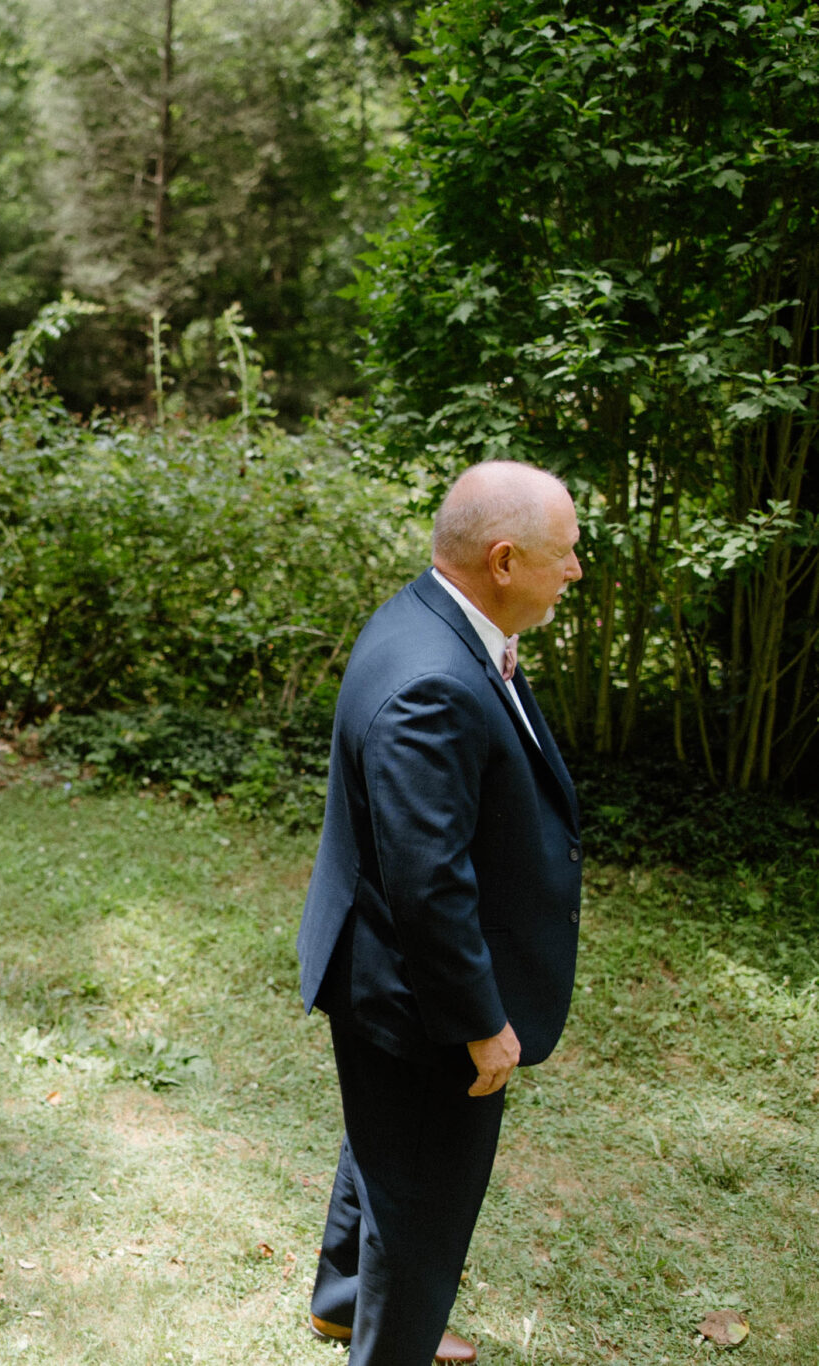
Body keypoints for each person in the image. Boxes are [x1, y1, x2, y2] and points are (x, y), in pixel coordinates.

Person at [294, 460, 584, 1364]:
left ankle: (342, 1301)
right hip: (418, 995)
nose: (574, 572)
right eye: (564, 555)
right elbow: (429, 885)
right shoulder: (434, 681)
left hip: (377, 966)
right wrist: (481, 1020)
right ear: (503, 559)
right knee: (422, 1200)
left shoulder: (431, 614)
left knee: (384, 1148)